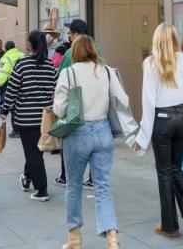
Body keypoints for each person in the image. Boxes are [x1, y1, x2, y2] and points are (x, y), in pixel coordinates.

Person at [133, 23, 183, 238]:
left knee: (165, 172)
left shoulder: (150, 63)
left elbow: (149, 102)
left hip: (162, 120)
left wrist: (143, 135)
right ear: (174, 38)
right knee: (175, 168)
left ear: (157, 39)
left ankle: (172, 224)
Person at [54, 36, 128, 249]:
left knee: (74, 186)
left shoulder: (68, 73)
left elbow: (59, 109)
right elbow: (123, 100)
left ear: (75, 52)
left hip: (77, 133)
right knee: (102, 186)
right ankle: (112, 236)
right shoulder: (106, 71)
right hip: (103, 131)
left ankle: (75, 239)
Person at [0, 31, 57, 202]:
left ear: (30, 45)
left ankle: (42, 190)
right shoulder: (49, 65)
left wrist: (4, 110)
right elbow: (55, 87)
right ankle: (27, 178)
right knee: (35, 152)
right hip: (45, 117)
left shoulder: (22, 63)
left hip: (26, 117)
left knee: (33, 154)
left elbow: (12, 89)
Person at [55, 19, 99, 187]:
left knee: (69, 147)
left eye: (70, 34)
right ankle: (92, 179)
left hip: (76, 108)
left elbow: (61, 80)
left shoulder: (69, 53)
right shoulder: (98, 49)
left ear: (74, 35)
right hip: (97, 110)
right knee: (95, 151)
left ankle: (65, 176)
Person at [0, 40, 24, 138]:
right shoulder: (22, 54)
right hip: (24, 84)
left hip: (11, 85)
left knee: (13, 108)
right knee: (22, 107)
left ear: (6, 48)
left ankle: (16, 131)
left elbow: (3, 74)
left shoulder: (6, 58)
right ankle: (23, 128)